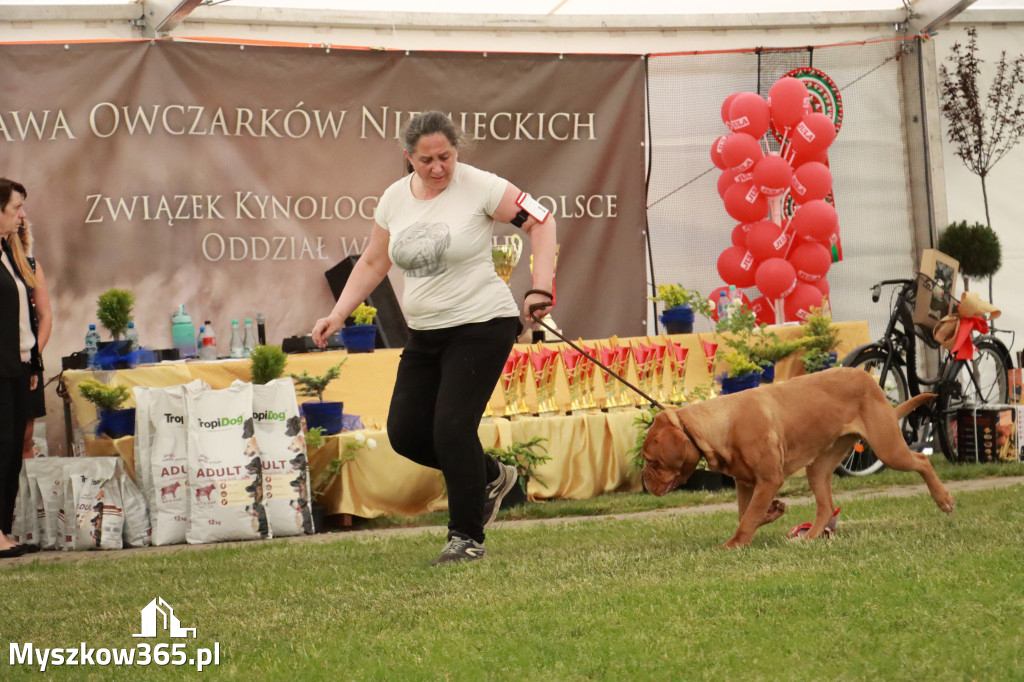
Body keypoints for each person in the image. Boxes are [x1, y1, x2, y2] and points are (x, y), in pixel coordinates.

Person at [312, 111, 557, 565]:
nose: (438, 167)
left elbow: (541, 221)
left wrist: (541, 286)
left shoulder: (481, 185)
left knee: (451, 429)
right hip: (425, 334)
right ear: (408, 158)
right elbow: (371, 262)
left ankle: (466, 538)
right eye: (426, 160)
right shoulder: (393, 199)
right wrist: (338, 314)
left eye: (446, 156)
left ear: (456, 151)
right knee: (405, 434)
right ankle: (490, 475)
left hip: (483, 324)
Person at [0, 178, 39, 558]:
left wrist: (33, 362)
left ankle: (4, 530)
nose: (22, 215)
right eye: (15, 208)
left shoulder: (9, 254)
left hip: (17, 367)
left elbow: (27, 317)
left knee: (12, 450)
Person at [14, 219, 51, 459]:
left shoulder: (30, 266)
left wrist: (34, 355)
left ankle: (24, 496)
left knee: (26, 438)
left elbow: (45, 315)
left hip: (27, 362)